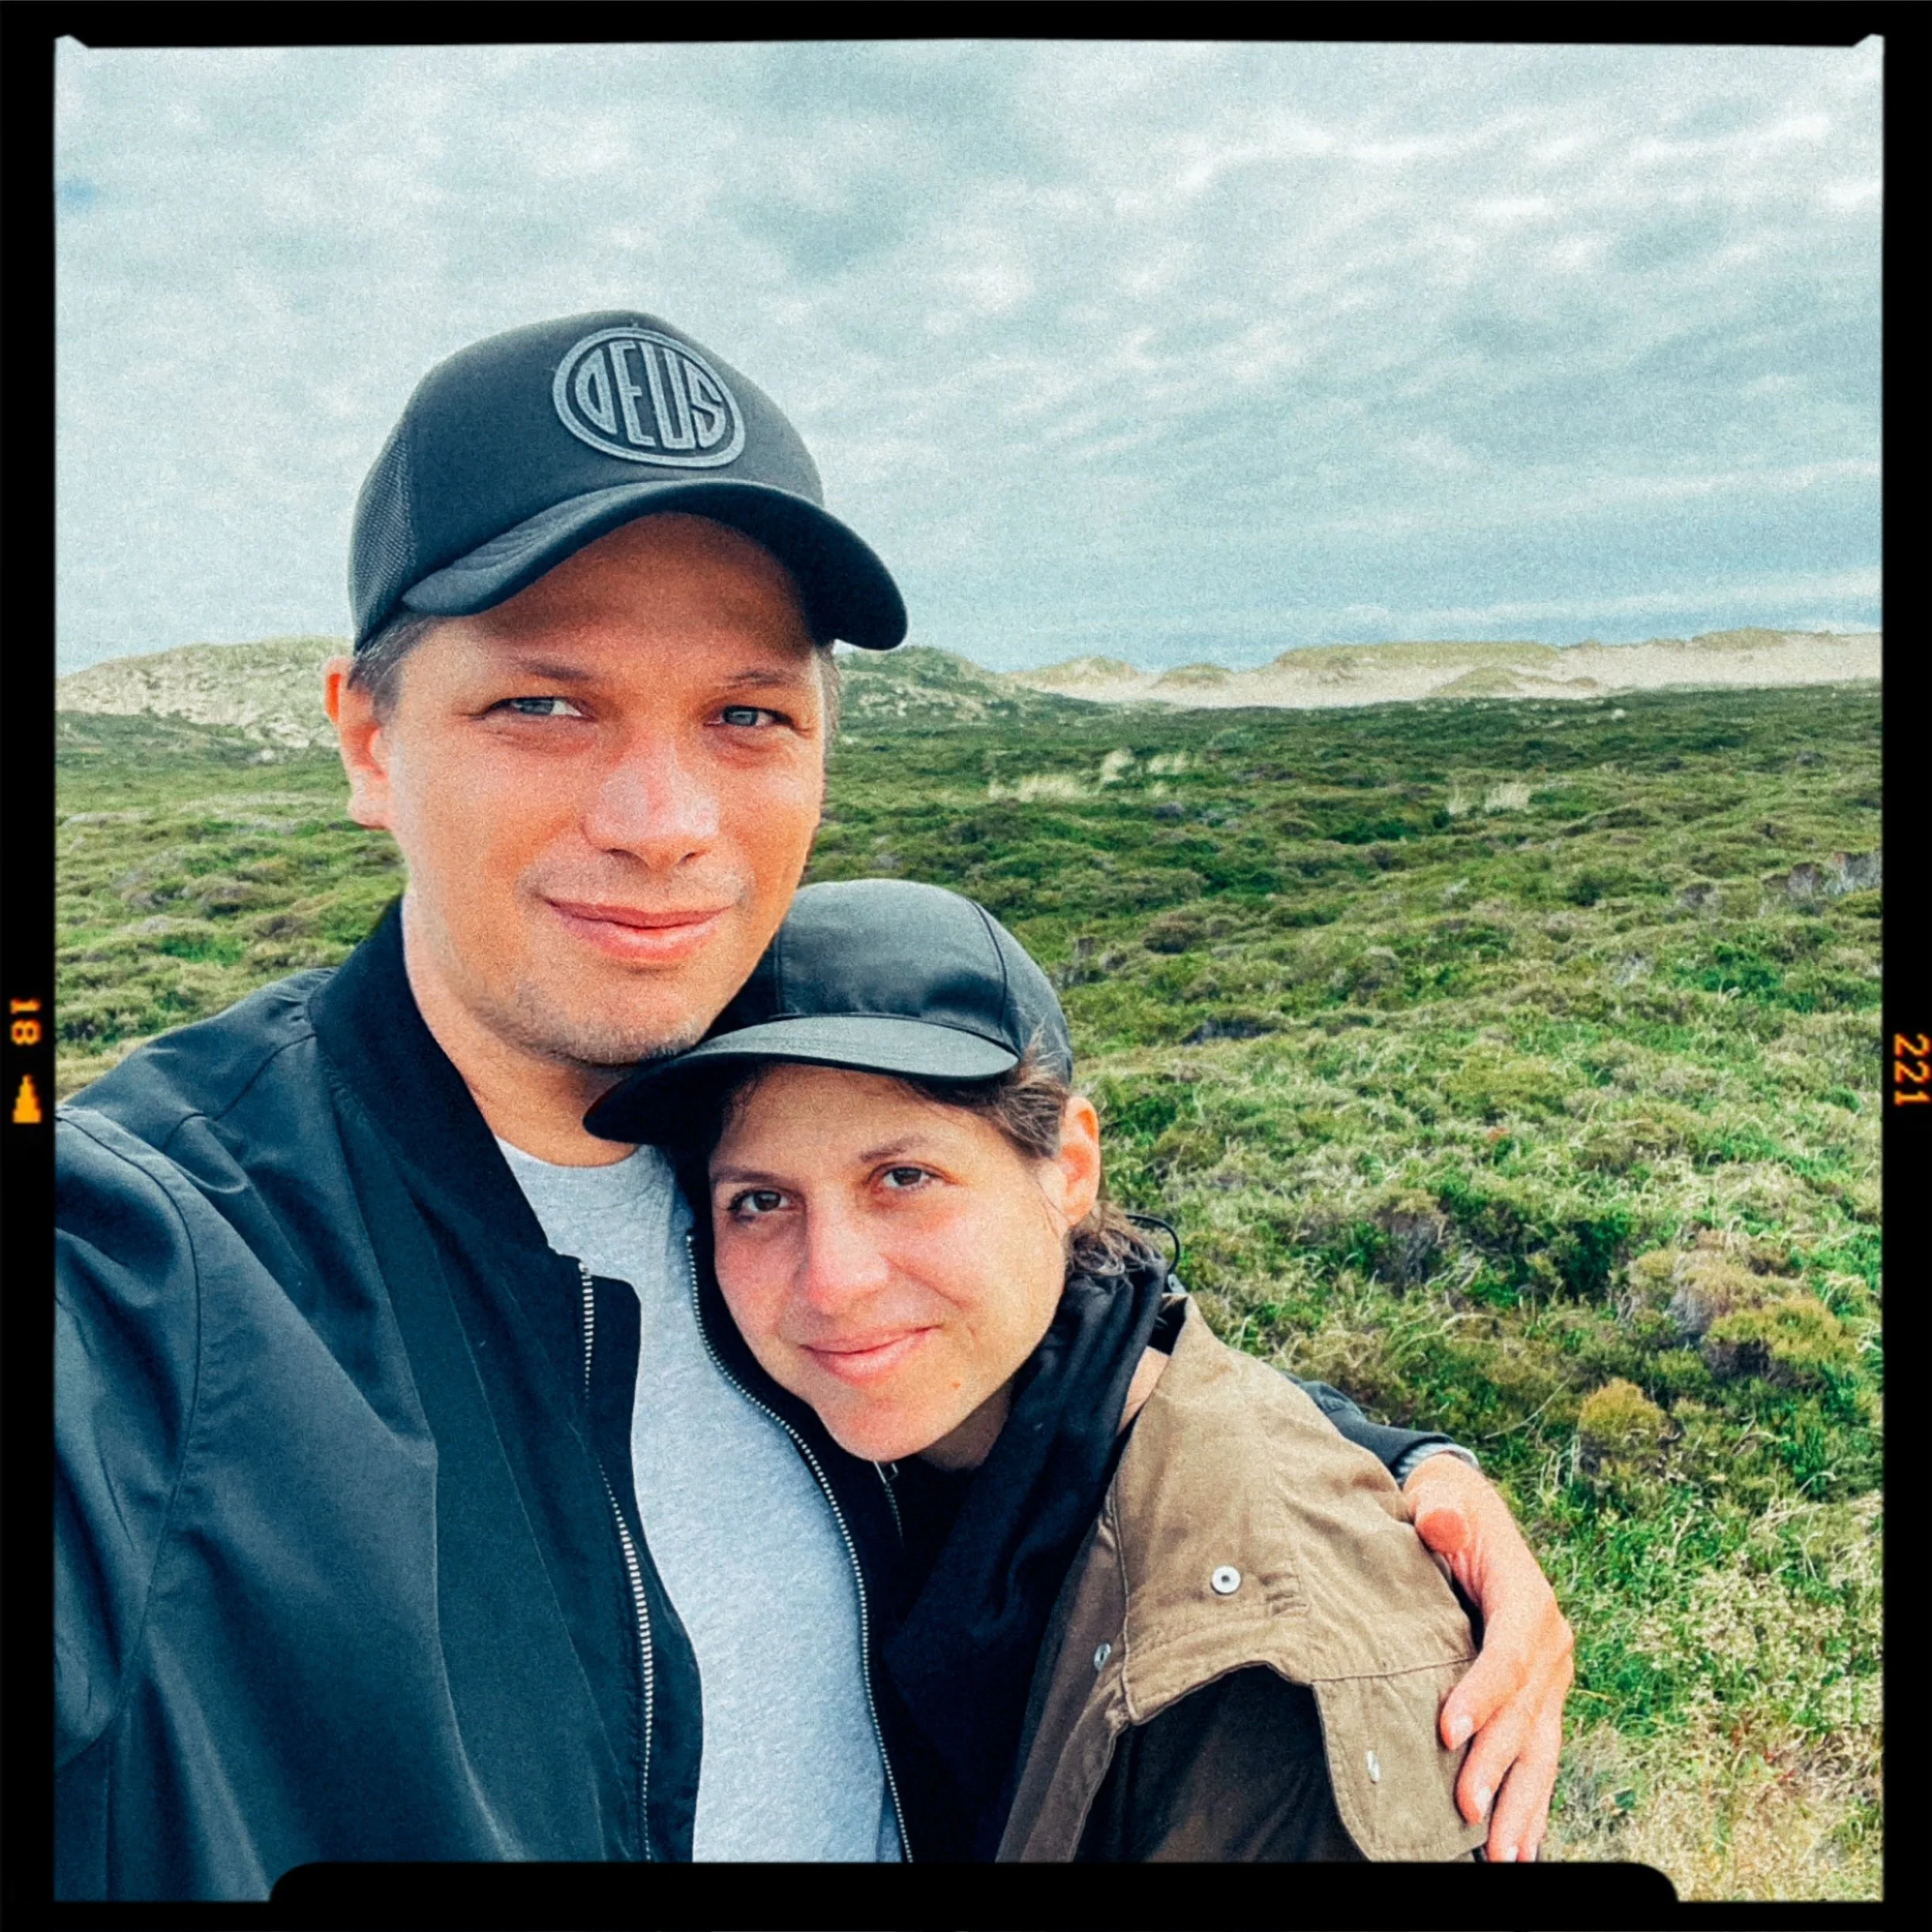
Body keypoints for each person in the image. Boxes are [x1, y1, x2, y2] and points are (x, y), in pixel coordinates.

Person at [54, 310, 1570, 1897]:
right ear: (369, 738)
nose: (663, 821)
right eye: (544, 705)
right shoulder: (150, 1264)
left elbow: (1044, 1348)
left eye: (745, 714)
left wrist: (1382, 1468)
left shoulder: (759, 1128)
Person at [589, 876, 1502, 1863]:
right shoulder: (875, 1438)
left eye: (903, 1178)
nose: (833, 1282)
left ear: (1068, 1168)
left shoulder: (1251, 1663)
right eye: (760, 1201)